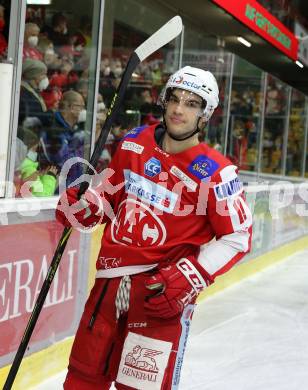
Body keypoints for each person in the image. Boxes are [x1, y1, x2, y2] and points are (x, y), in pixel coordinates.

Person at [56, 66, 253, 389]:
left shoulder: (217, 172)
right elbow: (111, 195)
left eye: (192, 104)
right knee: (82, 379)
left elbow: (238, 235)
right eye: (175, 99)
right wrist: (85, 204)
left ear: (206, 115)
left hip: (158, 295)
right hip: (107, 287)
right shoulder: (134, 141)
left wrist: (192, 275)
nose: (179, 109)